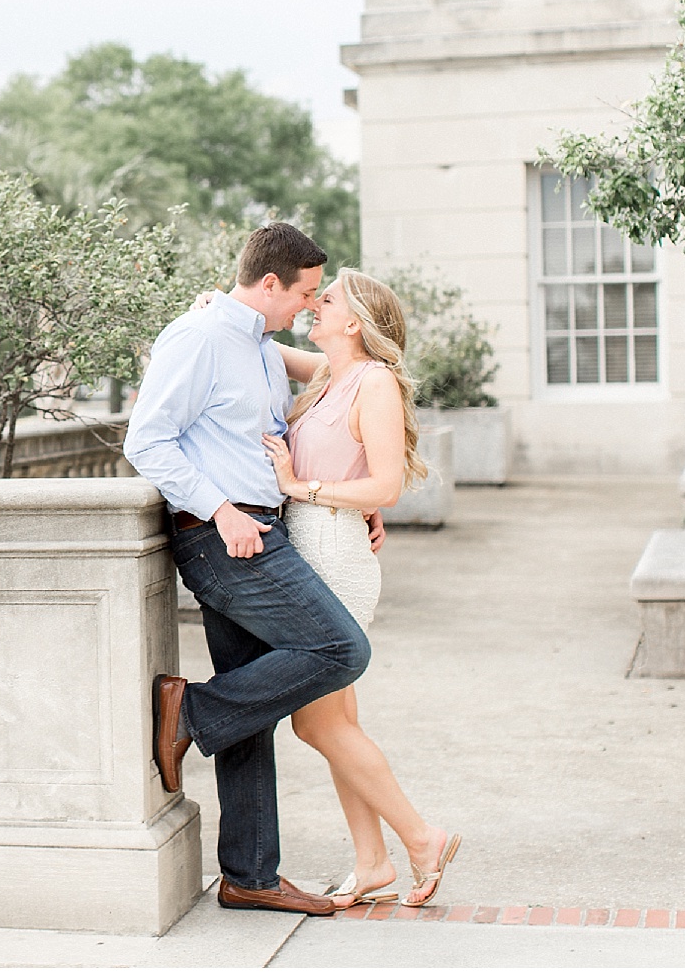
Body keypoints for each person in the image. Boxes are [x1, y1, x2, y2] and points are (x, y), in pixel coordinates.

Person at [123, 222, 379, 917]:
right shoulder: (199, 336)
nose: (308, 303)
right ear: (270, 283)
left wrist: (355, 499)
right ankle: (192, 711)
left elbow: (336, 385)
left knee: (254, 705)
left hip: (264, 526)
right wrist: (222, 510)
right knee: (339, 647)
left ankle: (249, 873)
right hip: (223, 537)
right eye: (304, 292)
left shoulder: (261, 348)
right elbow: (146, 438)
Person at [258, 268, 462, 909]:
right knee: (336, 721)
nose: (315, 304)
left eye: (329, 298)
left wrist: (302, 488)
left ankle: (420, 837)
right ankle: (373, 862)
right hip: (313, 544)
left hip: (331, 553)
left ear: (355, 323)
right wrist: (218, 305)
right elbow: (258, 339)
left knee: (316, 722)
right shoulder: (327, 375)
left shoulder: (372, 382)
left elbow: (386, 489)